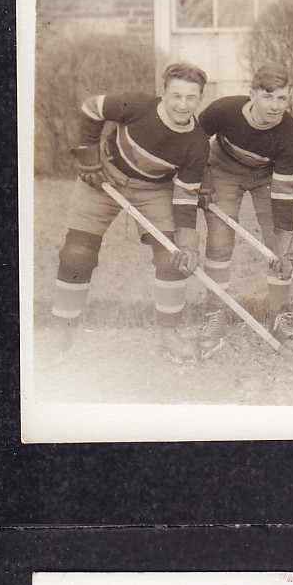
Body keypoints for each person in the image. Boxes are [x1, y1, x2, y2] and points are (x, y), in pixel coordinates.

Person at [46, 62, 210, 362]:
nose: (182, 105)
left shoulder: (197, 144)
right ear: (163, 92)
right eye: (176, 96)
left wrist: (187, 244)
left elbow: (186, 198)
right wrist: (89, 155)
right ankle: (62, 330)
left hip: (153, 190)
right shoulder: (138, 106)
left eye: (191, 98)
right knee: (77, 254)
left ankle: (168, 334)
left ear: (200, 99)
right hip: (104, 178)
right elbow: (92, 107)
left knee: (171, 259)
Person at [195, 65, 293, 357]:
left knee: (277, 243)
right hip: (223, 169)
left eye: (282, 99)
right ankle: (215, 314)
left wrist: (284, 240)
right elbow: (193, 139)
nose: (275, 106)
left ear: (289, 97)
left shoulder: (290, 132)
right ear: (252, 94)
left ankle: (281, 314)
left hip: (266, 177)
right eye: (268, 97)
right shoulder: (225, 110)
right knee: (219, 240)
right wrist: (201, 174)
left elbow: (284, 193)